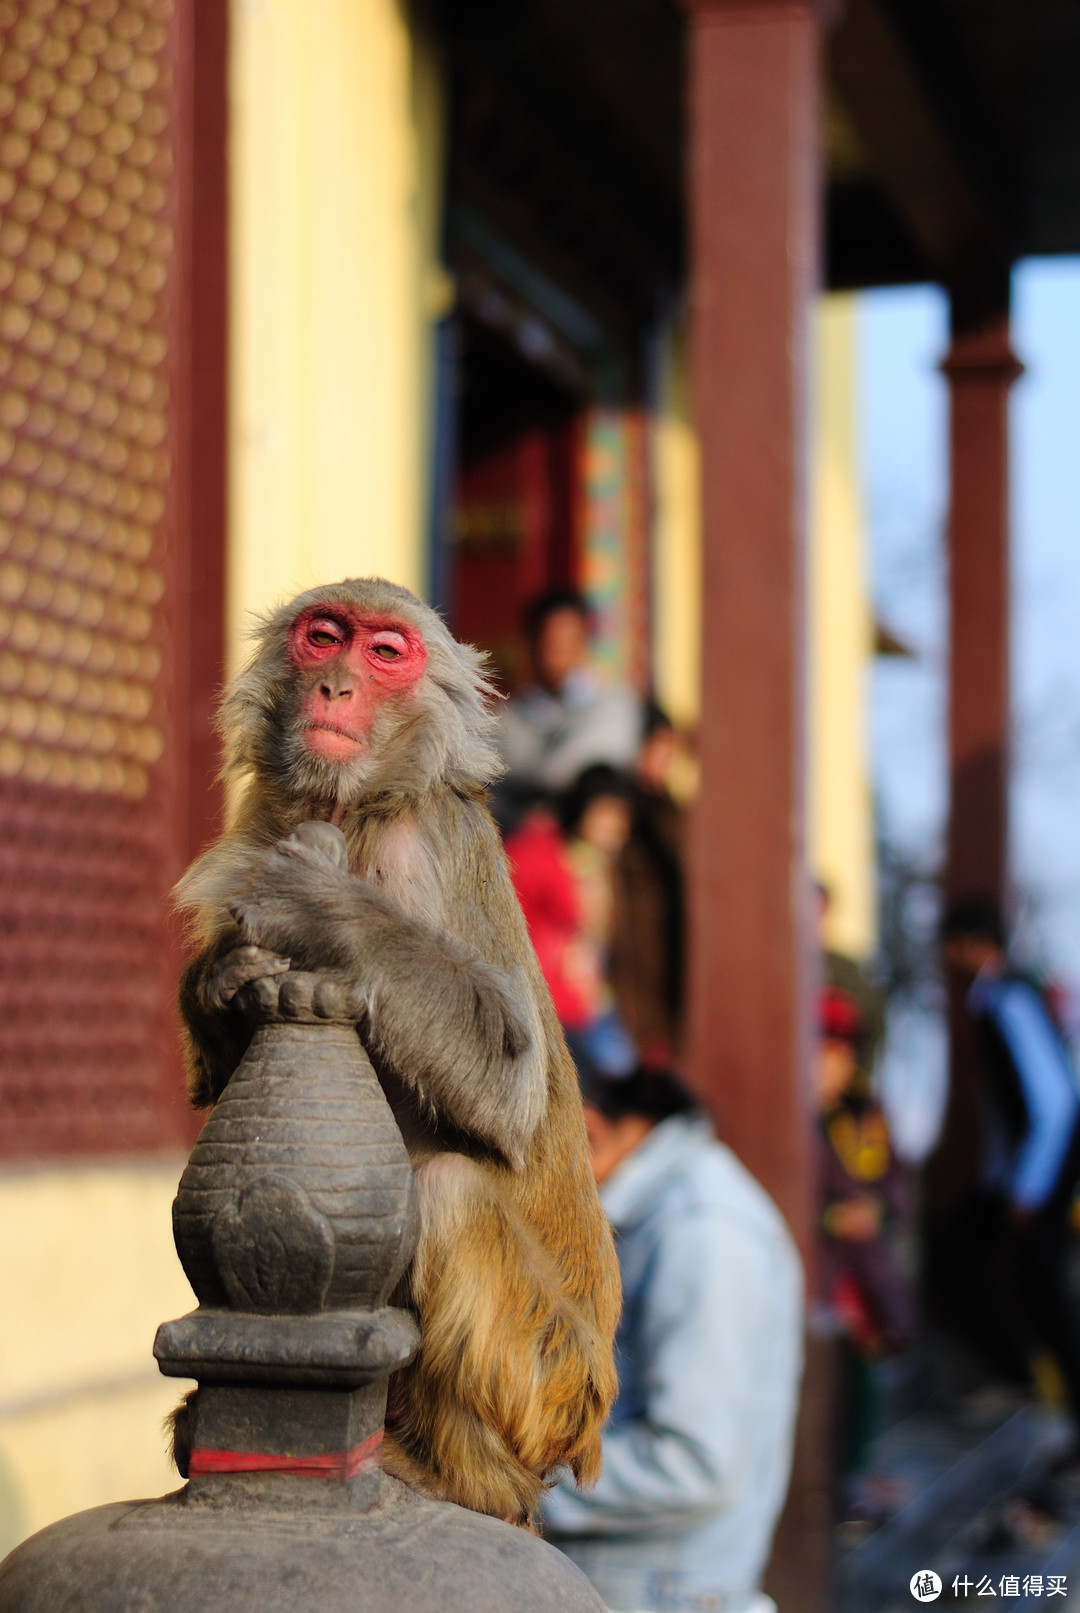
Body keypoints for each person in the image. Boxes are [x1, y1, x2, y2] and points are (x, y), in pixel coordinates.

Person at [542, 1066, 803, 1613]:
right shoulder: (670, 1209)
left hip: (662, 1592)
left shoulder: (702, 1228)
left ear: (589, 1133)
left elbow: (692, 1461)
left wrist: (515, 1483)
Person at [940, 894, 1080, 1444]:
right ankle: (1018, 1382)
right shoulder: (999, 999)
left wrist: (1027, 1187)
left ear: (974, 945)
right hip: (1020, 1173)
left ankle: (1044, 1397)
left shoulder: (1009, 1002)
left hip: (1039, 1172)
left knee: (1043, 1290)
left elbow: (1054, 1104)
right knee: (969, 1256)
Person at [817, 985, 912, 1508]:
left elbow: (894, 1180)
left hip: (866, 1267)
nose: (834, 1062)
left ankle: (857, 1471)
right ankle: (838, 1481)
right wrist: (831, 1217)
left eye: (841, 1050)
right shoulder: (802, 1119)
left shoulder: (865, 1112)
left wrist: (877, 1209)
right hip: (827, 1267)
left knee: (869, 1369)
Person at [506, 766, 638, 1077]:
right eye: (606, 815)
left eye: (620, 820)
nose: (614, 829)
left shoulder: (602, 863)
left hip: (588, 999)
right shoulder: (540, 852)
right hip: (550, 1000)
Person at [494, 589, 643, 828]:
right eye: (547, 642)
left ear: (583, 641)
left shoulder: (614, 705)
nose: (554, 654)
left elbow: (590, 764)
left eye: (565, 642)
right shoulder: (509, 714)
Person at [610, 701, 686, 1063]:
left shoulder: (673, 815)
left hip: (664, 954)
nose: (665, 758)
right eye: (658, 747)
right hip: (624, 946)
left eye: (670, 749)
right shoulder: (617, 808)